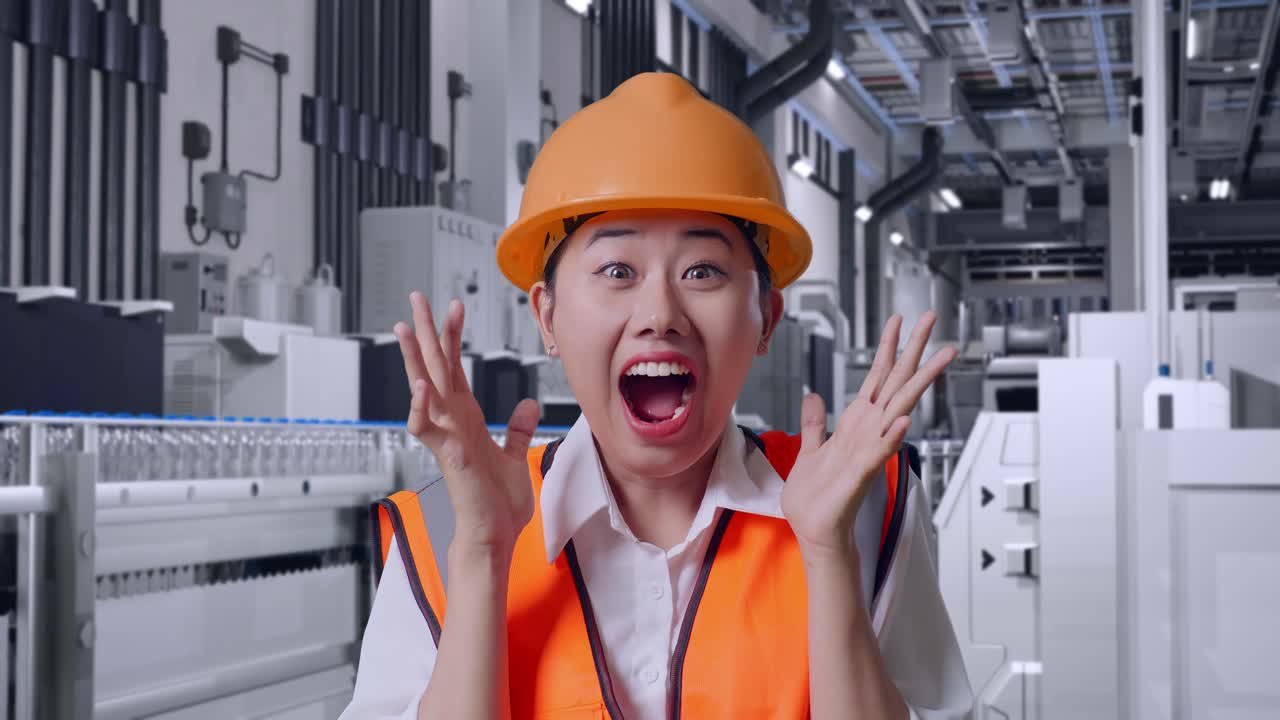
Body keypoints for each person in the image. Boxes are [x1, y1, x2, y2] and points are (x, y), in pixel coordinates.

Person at [341, 73, 972, 719]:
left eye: (704, 271)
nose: (659, 313)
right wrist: (480, 553)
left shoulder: (864, 507)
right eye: (617, 271)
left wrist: (829, 556)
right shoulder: (446, 526)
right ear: (547, 316)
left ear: (767, 319)